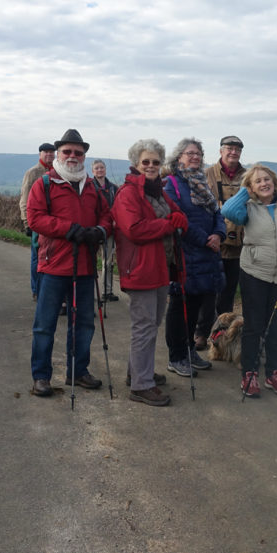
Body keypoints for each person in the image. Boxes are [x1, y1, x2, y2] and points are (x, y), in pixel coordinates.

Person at [26, 129, 112, 398]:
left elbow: (107, 216)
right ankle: (41, 376)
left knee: (84, 323)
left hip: (85, 265)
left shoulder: (92, 187)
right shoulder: (45, 184)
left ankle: (78, 371)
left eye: (78, 152)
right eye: (67, 151)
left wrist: (99, 231)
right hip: (53, 265)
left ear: (84, 156)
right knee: (45, 325)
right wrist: (68, 229)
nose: (73, 156)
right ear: (59, 154)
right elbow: (35, 218)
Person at [221, 164, 277, 398]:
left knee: (276, 326)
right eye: (258, 181)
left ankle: (274, 373)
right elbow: (228, 210)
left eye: (267, 179)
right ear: (251, 187)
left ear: (274, 181)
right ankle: (249, 373)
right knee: (253, 326)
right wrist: (246, 190)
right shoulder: (247, 208)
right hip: (254, 272)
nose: (264, 183)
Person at [112, 139, 188, 406]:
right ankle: (141, 385)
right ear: (135, 164)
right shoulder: (128, 193)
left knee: (151, 325)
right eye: (146, 161)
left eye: (156, 162)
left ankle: (138, 372)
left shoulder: (157, 191)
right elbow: (135, 229)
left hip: (161, 267)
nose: (151, 166)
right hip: (141, 269)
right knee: (144, 327)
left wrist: (178, 219)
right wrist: (169, 224)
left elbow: (177, 214)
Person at [163, 138, 225, 376]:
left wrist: (218, 234)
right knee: (180, 307)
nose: (195, 157)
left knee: (196, 305)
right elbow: (178, 217)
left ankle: (189, 349)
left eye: (198, 153)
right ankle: (176, 356)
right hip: (186, 254)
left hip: (207, 255)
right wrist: (205, 239)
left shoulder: (203, 182)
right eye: (190, 153)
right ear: (178, 157)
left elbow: (217, 212)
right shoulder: (171, 183)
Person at [206, 135, 246, 314]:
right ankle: (205, 328)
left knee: (229, 293)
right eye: (229, 148)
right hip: (213, 244)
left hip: (239, 246)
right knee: (209, 292)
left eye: (237, 150)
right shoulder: (207, 175)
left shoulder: (248, 176)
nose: (233, 152)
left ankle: (223, 328)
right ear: (221, 151)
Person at [19, 142, 56, 301]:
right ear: (40, 154)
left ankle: (50, 290)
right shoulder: (32, 173)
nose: (49, 155)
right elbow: (25, 198)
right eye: (45, 152)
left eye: (51, 152)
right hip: (37, 222)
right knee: (37, 258)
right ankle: (36, 290)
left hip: (53, 223)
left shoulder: (57, 171)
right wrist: (26, 222)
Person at [91, 159, 120, 303]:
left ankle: (107, 291)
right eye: (97, 168)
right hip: (93, 229)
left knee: (108, 261)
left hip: (110, 228)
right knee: (90, 261)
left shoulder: (114, 188)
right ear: (93, 171)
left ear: (105, 169)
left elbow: (118, 207)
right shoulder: (89, 187)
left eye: (101, 167)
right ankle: (90, 292)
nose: (100, 170)